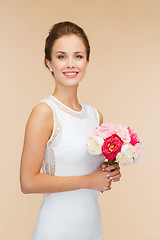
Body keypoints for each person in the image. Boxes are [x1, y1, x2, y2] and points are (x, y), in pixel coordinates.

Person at [20, 21, 121, 240]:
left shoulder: (96, 116)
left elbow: (94, 176)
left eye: (78, 56)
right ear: (49, 62)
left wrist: (109, 171)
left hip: (92, 227)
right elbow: (28, 182)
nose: (70, 64)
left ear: (87, 61)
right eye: (61, 56)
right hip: (56, 230)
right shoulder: (45, 112)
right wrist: (89, 180)